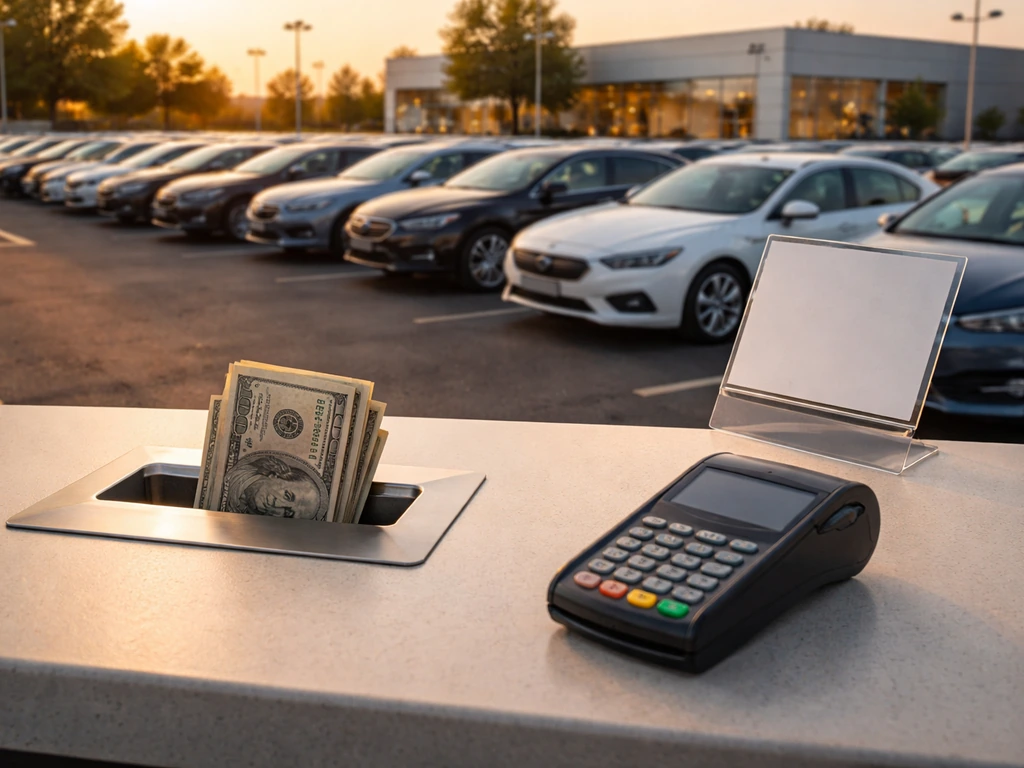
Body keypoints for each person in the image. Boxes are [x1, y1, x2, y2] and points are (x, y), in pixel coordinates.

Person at [223, 454, 323, 520]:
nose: (279, 505)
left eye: (288, 513)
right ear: (275, 474)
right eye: (287, 495)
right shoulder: (234, 476)